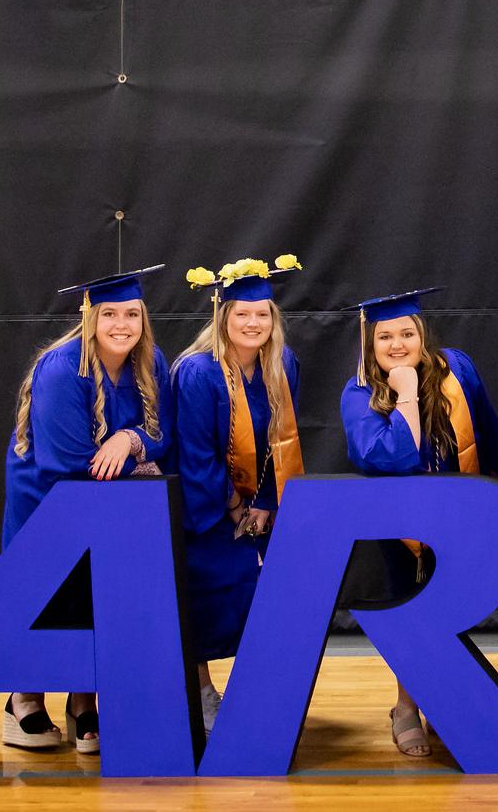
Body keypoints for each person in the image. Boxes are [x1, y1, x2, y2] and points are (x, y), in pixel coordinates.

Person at [2, 264, 173, 755]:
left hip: (111, 504)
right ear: (90, 317)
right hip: (50, 498)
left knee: (100, 595)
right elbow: (69, 462)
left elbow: (166, 433)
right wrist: (142, 464)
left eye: (133, 314)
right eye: (111, 314)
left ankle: (83, 700)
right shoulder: (63, 368)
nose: (122, 325)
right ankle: (23, 700)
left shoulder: (150, 361)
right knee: (49, 593)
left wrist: (130, 437)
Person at [338, 287, 498, 758]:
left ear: (423, 335)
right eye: (385, 337)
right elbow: (388, 457)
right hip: (401, 529)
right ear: (368, 344)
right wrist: (408, 395)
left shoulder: (457, 368)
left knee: (451, 612)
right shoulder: (358, 392)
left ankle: (442, 699)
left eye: (407, 333)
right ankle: (405, 706)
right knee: (409, 614)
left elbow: (489, 432)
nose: (397, 344)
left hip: (459, 515)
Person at [171, 256, 305, 735]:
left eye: (263, 314)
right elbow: (195, 454)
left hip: (260, 511)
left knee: (265, 601)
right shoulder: (197, 372)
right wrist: (234, 507)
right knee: (203, 599)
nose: (253, 323)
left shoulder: (281, 364)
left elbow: (283, 443)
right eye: (242, 314)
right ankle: (201, 690)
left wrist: (267, 502)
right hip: (206, 510)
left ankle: (256, 691)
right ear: (223, 317)